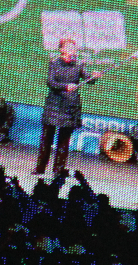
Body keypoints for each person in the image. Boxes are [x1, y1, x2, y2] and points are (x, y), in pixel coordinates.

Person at [34, 38, 100, 177]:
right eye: (69, 47)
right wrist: (65, 86)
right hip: (54, 104)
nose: (72, 50)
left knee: (64, 142)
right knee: (47, 139)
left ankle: (58, 170)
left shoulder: (79, 64)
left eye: (74, 47)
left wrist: (95, 77)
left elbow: (89, 80)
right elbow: (50, 82)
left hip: (70, 106)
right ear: (61, 49)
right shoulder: (54, 63)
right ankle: (40, 168)